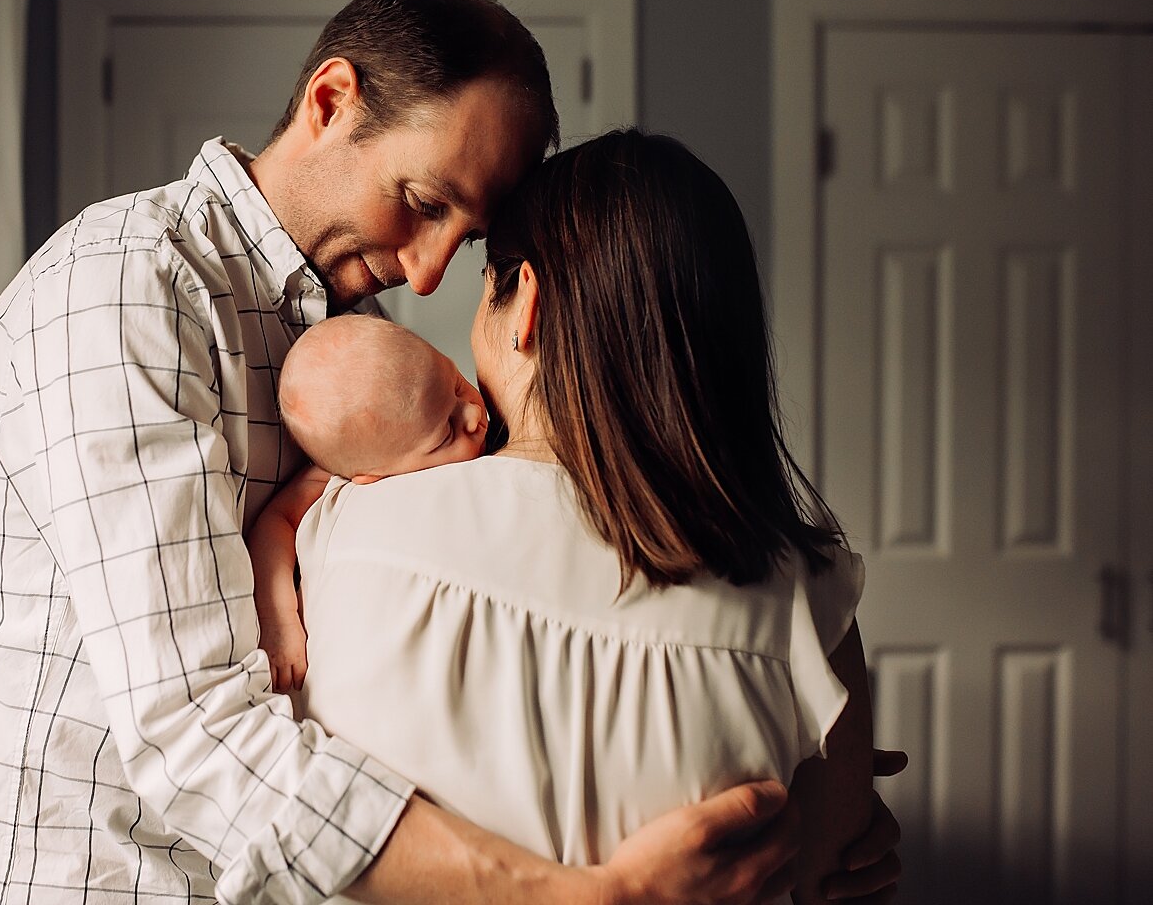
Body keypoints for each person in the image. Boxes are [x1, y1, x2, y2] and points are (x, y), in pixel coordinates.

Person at [0, 0, 901, 905]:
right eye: (421, 203)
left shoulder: (352, 349)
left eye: (466, 240)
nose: (426, 276)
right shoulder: (129, 294)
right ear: (330, 102)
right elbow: (195, 728)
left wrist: (796, 764)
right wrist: (591, 894)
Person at [294, 130, 886, 903]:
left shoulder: (344, 537)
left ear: (526, 303)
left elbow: (295, 828)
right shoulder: (809, 598)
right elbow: (832, 872)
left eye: (485, 283)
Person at [250, 315, 490, 692]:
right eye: (446, 433)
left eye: (457, 383)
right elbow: (275, 523)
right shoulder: (327, 478)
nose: (474, 415)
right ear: (369, 474)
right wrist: (279, 618)